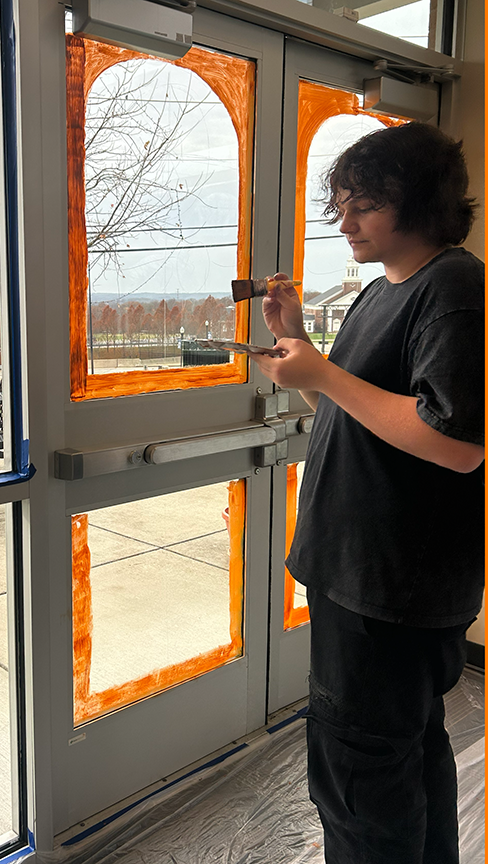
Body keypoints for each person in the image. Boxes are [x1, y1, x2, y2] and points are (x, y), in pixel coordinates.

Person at [253, 122, 484, 864]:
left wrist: (320, 374)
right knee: (406, 756)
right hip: (362, 574)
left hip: (391, 585)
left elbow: (457, 443)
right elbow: (361, 420)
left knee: (358, 777)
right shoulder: (382, 293)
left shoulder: (452, 285)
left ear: (418, 202)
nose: (344, 224)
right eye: (342, 206)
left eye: (363, 206)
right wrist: (305, 358)